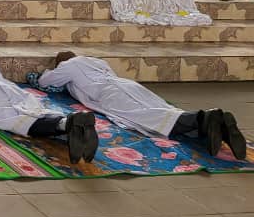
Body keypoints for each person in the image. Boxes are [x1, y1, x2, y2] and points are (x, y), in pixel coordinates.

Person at [31, 51, 247, 159]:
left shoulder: (69, 65)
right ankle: (212, 124)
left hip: (110, 94)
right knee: (162, 109)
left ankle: (204, 118)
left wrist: (50, 72)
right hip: (127, 85)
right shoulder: (96, 61)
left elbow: (46, 81)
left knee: (147, 117)